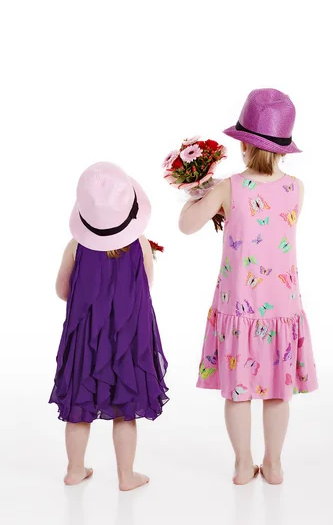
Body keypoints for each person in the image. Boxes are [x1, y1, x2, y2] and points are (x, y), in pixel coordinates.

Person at [179, 89, 317, 486]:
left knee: (238, 392)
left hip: (239, 305)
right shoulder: (296, 187)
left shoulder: (229, 187)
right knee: (277, 392)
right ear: (283, 148)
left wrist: (200, 189)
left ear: (242, 144)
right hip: (282, 307)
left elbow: (186, 226)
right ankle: (273, 464)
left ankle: (243, 464)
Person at [49, 162, 168, 491]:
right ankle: (126, 476)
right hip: (128, 339)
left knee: (78, 407)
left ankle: (75, 469)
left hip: (86, 340)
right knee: (124, 411)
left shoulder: (76, 246)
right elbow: (146, 287)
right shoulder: (140, 244)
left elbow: (62, 290)